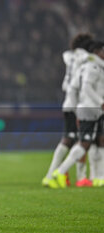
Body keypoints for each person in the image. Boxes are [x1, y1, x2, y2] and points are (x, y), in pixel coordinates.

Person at [42, 34, 94, 188]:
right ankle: (77, 177)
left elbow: (66, 84)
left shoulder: (69, 56)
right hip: (79, 103)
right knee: (81, 140)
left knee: (71, 139)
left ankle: (54, 174)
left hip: (68, 102)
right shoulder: (85, 58)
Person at [52, 41, 104, 188]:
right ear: (97, 51)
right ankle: (61, 171)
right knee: (85, 143)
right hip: (91, 107)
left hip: (88, 107)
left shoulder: (84, 66)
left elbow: (70, 86)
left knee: (97, 141)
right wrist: (100, 102)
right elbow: (85, 86)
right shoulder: (92, 66)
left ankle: (98, 176)